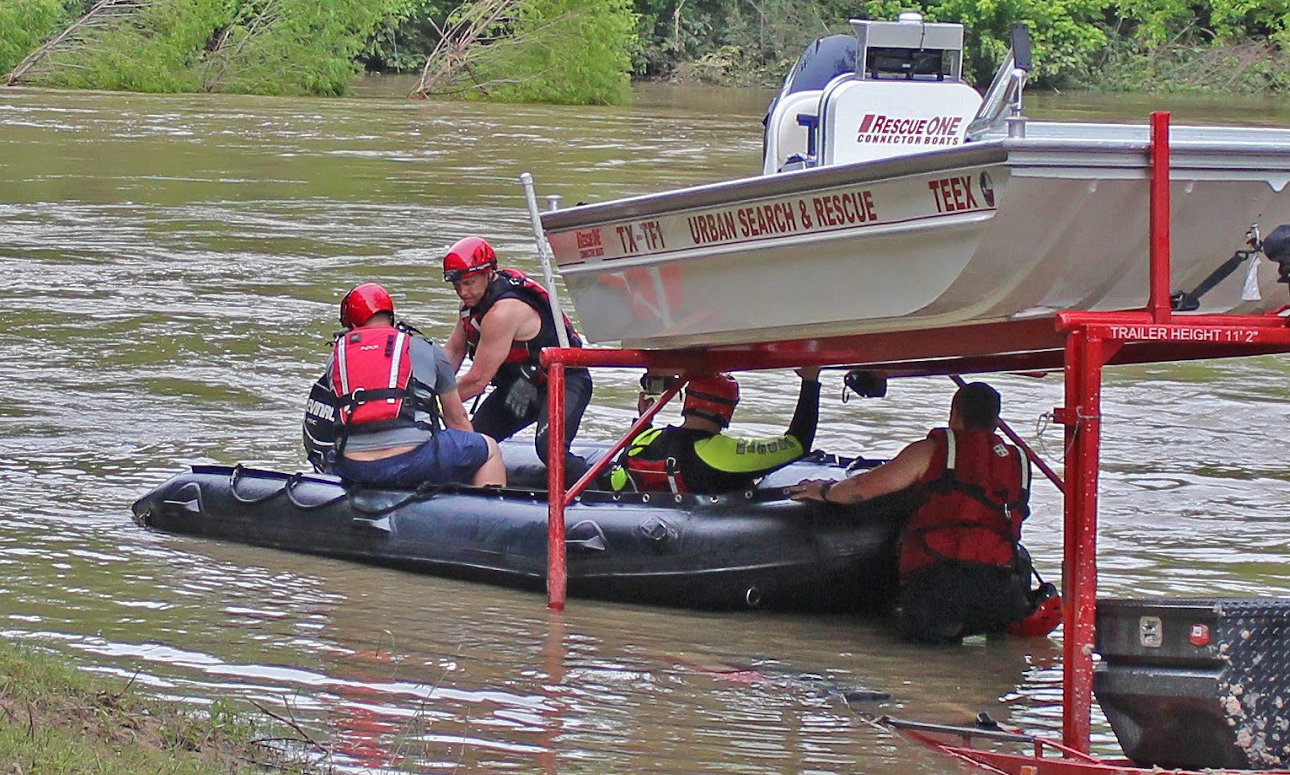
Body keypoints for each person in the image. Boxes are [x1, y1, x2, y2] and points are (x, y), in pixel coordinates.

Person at [790, 381, 1034, 644]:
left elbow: (861, 488)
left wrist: (824, 491)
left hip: (939, 591)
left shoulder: (931, 451)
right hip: (1002, 593)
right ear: (995, 422)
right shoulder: (1019, 461)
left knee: (922, 651)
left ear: (955, 415)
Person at [303, 282, 506, 489]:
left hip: (354, 466)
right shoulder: (429, 351)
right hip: (414, 460)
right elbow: (458, 421)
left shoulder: (336, 358)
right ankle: (487, 513)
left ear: (352, 325)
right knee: (489, 450)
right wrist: (466, 464)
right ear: (390, 317)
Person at [440, 236, 592, 468]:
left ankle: (606, 480)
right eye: (457, 285)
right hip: (523, 386)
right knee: (473, 442)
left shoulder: (503, 312)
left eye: (469, 283)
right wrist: (424, 387)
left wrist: (435, 404)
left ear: (489, 273)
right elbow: (453, 351)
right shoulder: (470, 307)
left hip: (563, 382)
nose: (463, 292)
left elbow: (478, 380)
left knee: (550, 452)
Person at [615, 367, 824, 494]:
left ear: (687, 400)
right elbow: (798, 444)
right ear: (727, 411)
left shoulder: (645, 439)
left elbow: (629, 449)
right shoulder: (723, 455)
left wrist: (645, 417)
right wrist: (810, 381)